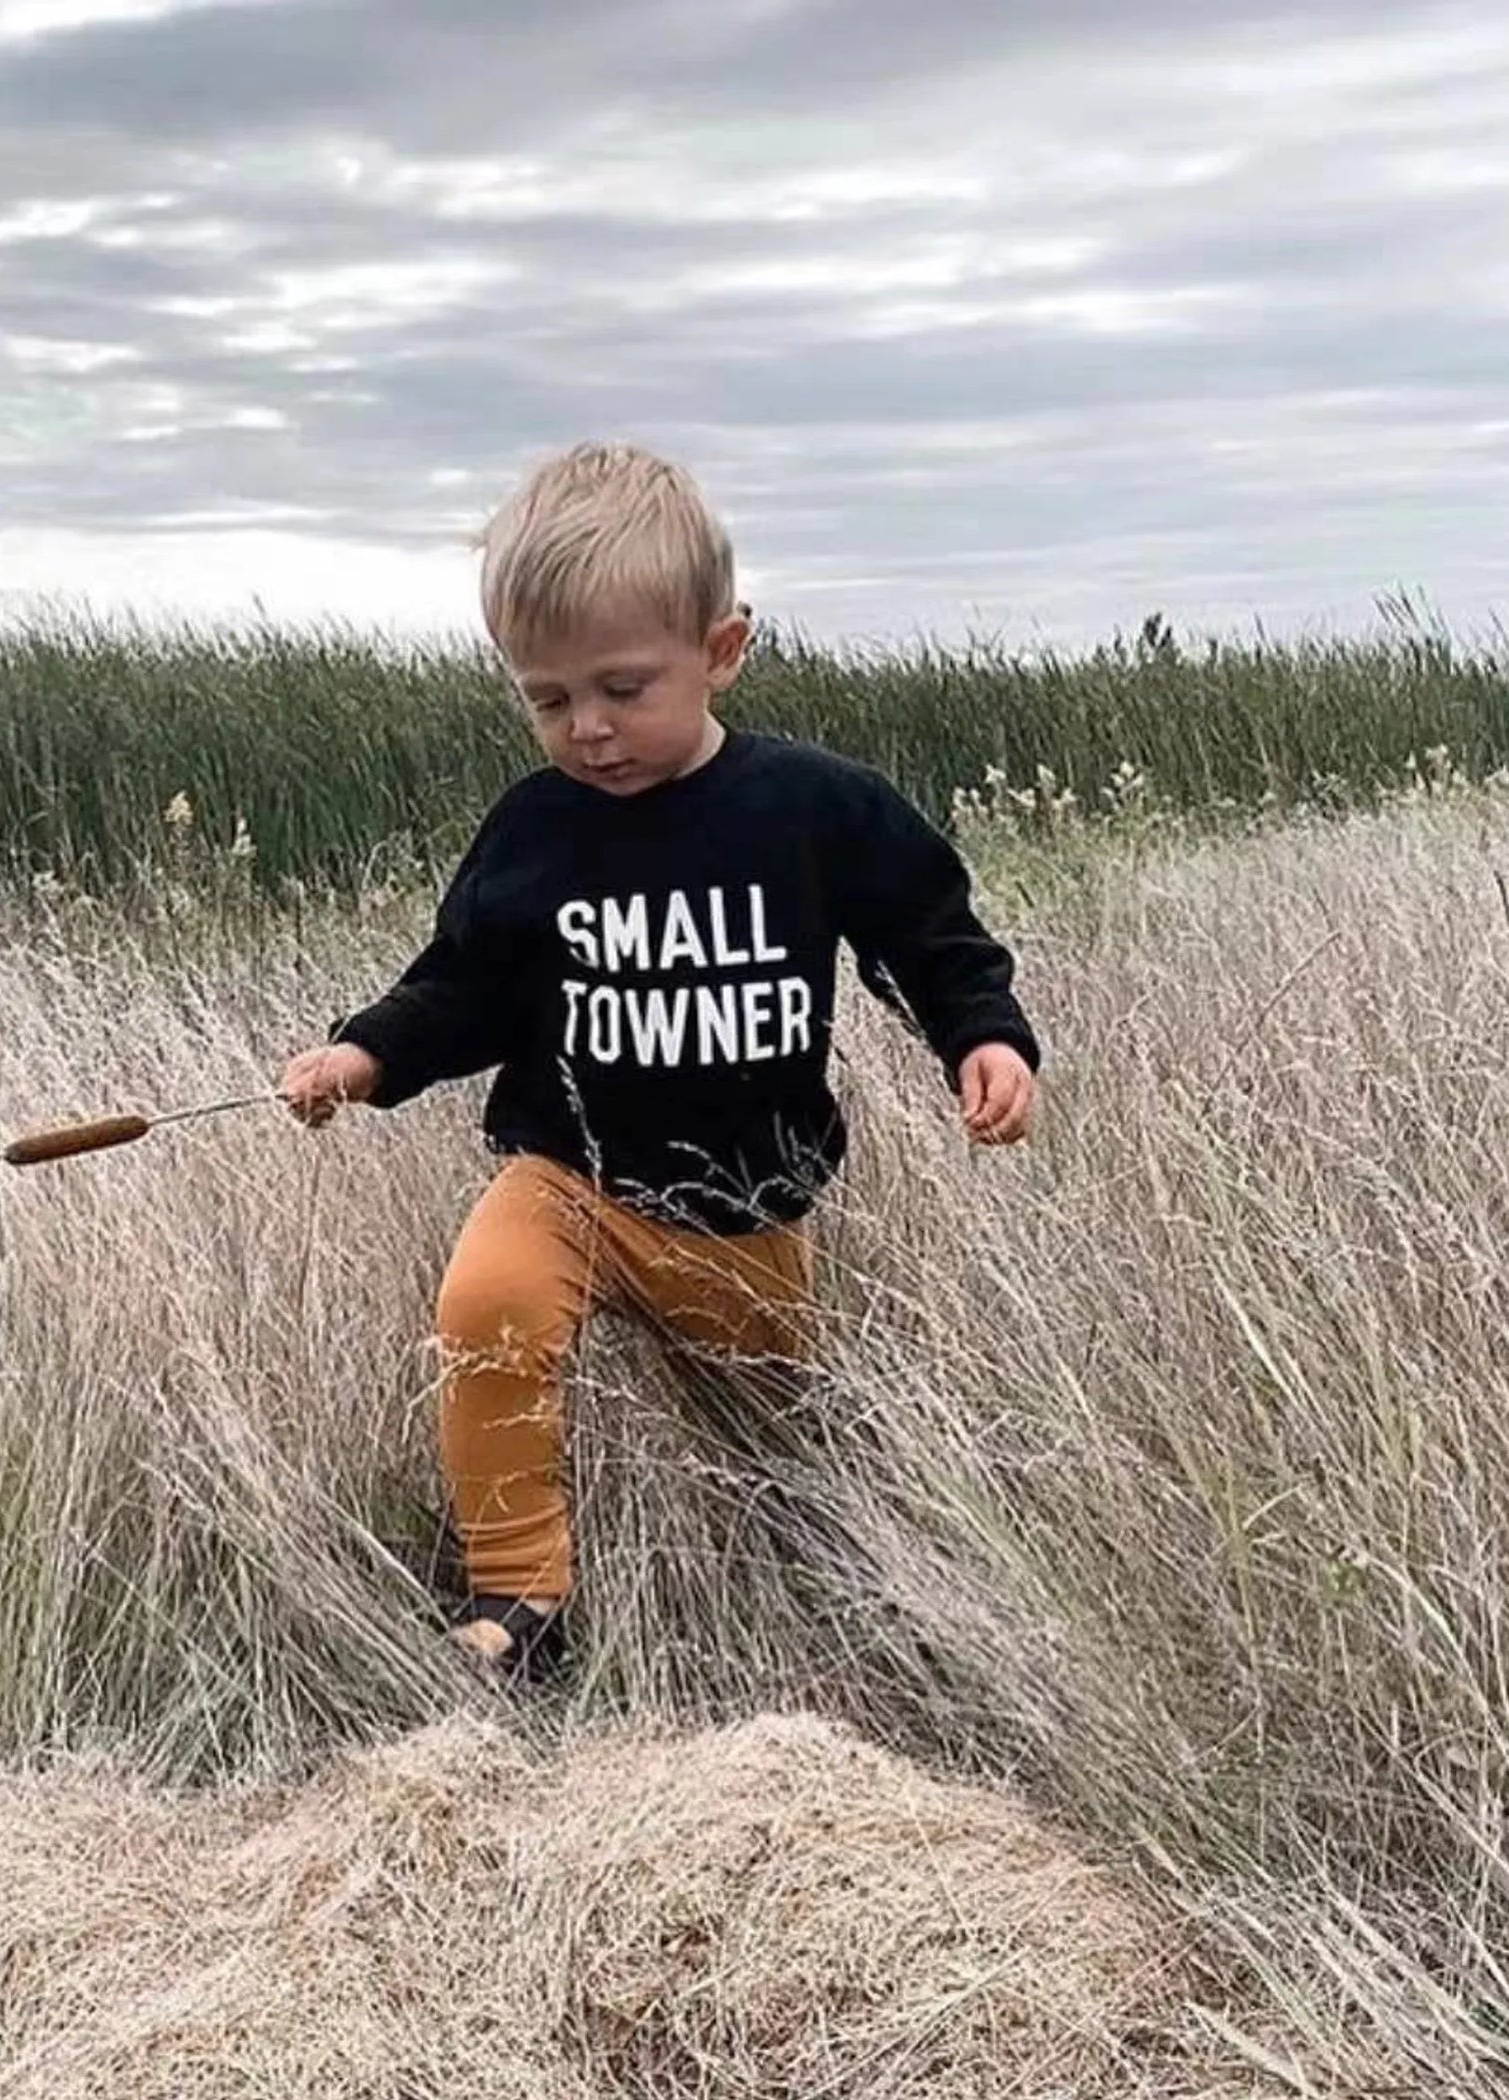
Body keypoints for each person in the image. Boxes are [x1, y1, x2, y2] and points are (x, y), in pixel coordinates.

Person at [278, 442, 1040, 1683]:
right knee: (485, 1309)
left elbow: (926, 934)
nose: (587, 728)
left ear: (720, 649)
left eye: (622, 688)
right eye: (547, 700)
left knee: (773, 1440)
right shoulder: (534, 829)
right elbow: (465, 985)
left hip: (740, 1211)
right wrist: (363, 1053)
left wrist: (983, 1036)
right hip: (566, 1178)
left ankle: (825, 1577)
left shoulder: (813, 807)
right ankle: (519, 1600)